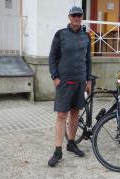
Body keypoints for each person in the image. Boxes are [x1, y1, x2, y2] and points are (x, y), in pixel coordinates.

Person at [48, 6, 92, 167]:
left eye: (79, 15)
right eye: (74, 15)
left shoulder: (86, 36)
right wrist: (55, 78)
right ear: (69, 17)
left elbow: (88, 60)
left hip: (80, 81)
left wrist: (89, 80)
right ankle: (58, 150)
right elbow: (52, 57)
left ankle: (71, 143)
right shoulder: (60, 35)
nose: (77, 18)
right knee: (61, 115)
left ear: (81, 17)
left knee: (75, 113)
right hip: (64, 81)